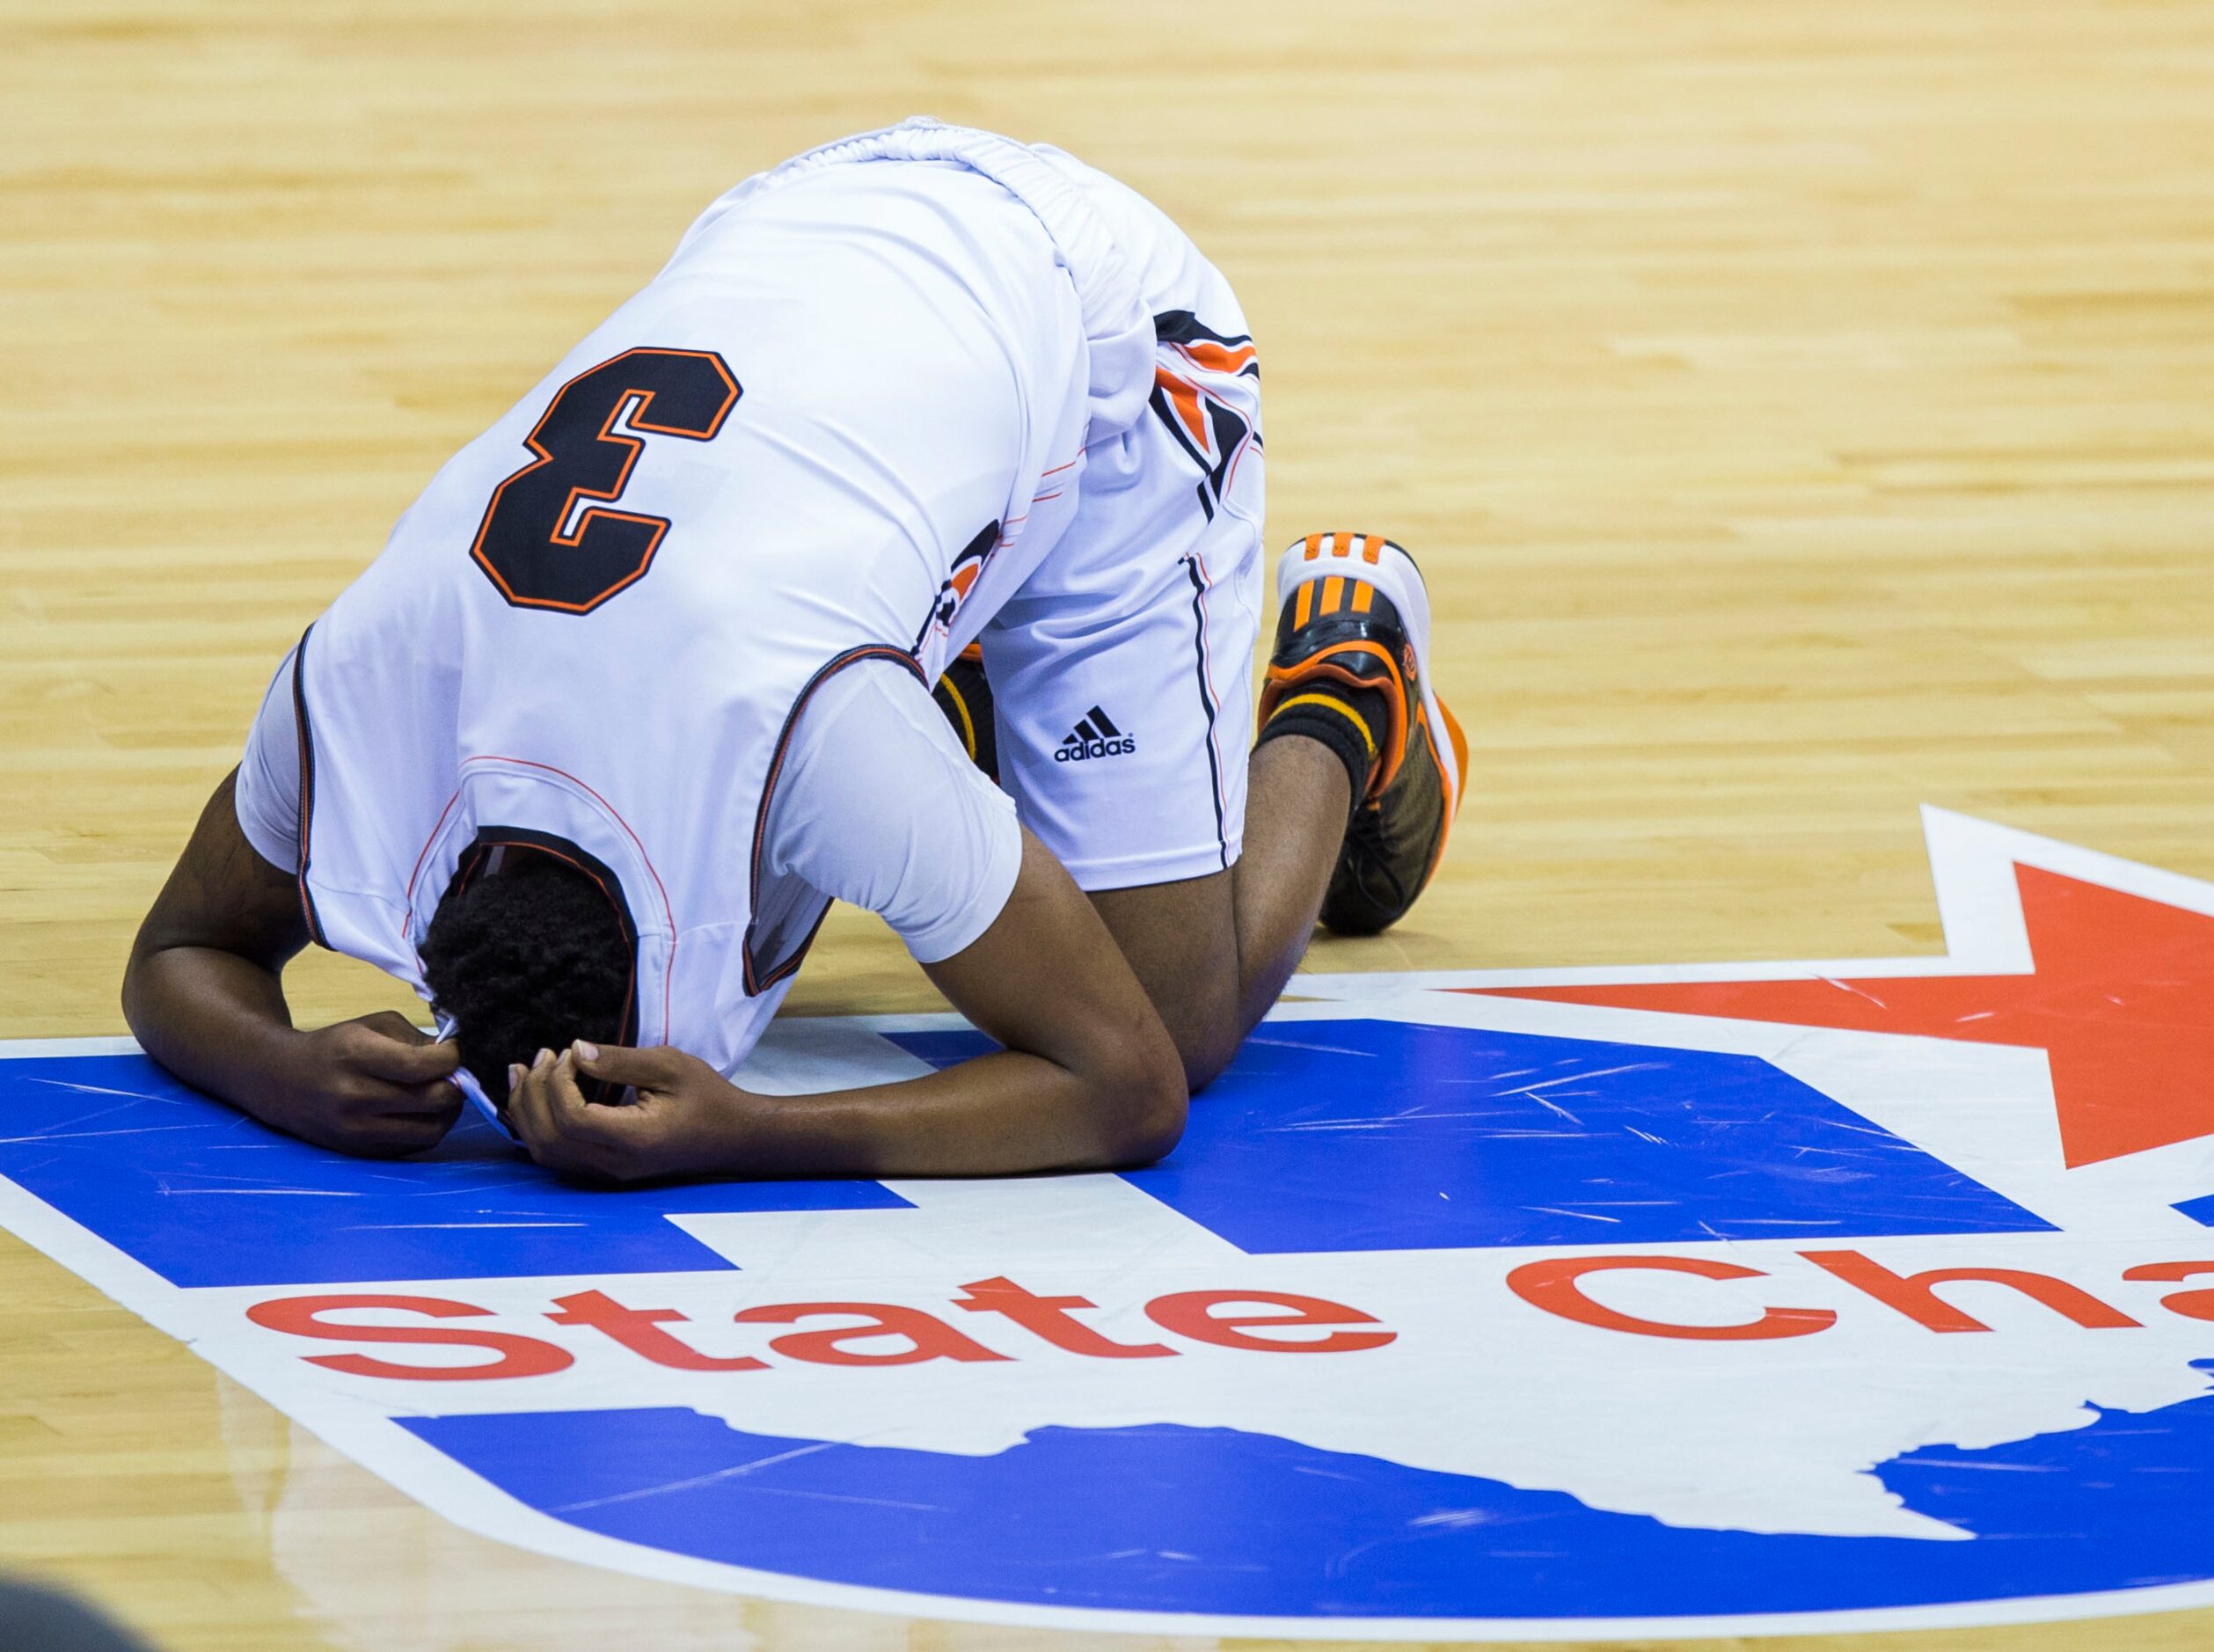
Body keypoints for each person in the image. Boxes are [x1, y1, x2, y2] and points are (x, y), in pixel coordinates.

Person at [119, 120, 1468, 1185]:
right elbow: (179, 950)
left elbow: (1129, 1086)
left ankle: (1345, 672)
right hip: (802, 223)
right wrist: (278, 1069)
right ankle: (967, 636)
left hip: (1104, 320)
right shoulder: (363, 682)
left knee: (1184, 1012)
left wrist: (745, 1131)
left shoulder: (820, 739)